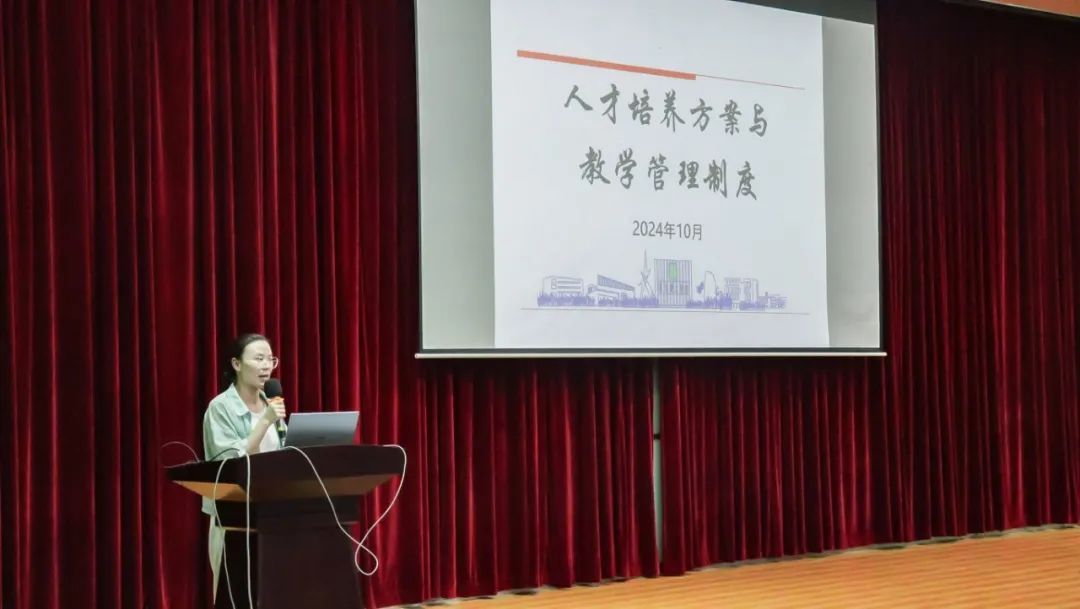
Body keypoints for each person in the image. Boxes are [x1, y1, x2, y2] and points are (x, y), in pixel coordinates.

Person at [202, 333, 287, 605]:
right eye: (258, 359)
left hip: (273, 513)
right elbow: (229, 462)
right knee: (236, 596)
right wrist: (264, 421)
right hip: (235, 516)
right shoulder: (220, 408)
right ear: (237, 364)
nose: (266, 366)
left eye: (270, 359)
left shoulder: (271, 402)